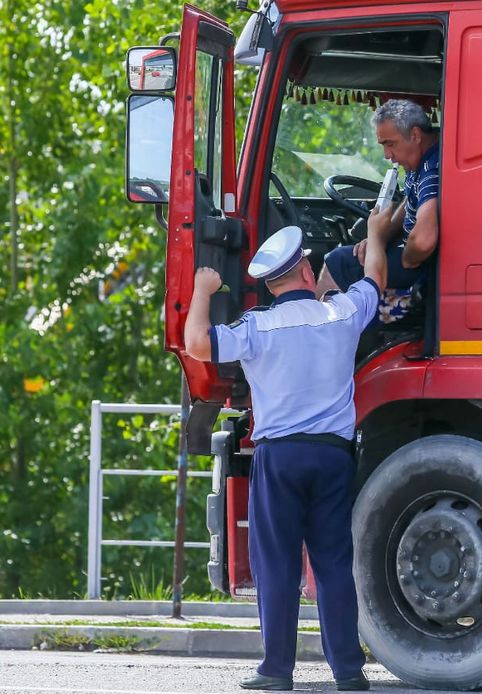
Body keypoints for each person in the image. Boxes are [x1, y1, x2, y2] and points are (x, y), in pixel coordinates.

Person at [183, 207, 392, 692]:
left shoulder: (258, 328)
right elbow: (375, 280)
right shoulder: (341, 314)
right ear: (306, 272)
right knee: (333, 563)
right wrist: (376, 234)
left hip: (279, 458)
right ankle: (348, 672)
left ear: (271, 285)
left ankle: (276, 670)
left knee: (276, 563)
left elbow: (196, 343)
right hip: (333, 456)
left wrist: (203, 289)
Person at [315, 98, 440, 297]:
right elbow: (410, 200)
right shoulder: (418, 158)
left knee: (337, 261)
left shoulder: (432, 168)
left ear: (416, 135)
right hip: (410, 250)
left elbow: (423, 241)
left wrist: (406, 258)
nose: (387, 155)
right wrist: (379, 239)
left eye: (390, 144)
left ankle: (325, 318)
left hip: (425, 266)